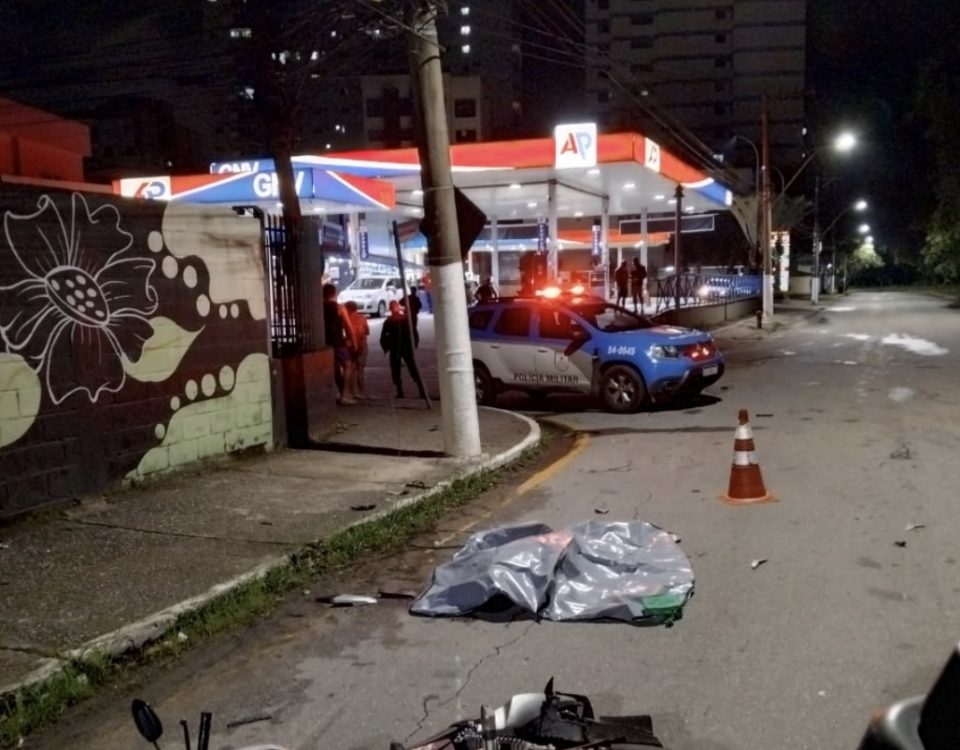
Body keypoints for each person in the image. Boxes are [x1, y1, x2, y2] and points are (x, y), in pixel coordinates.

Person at [380, 300, 426, 400]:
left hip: (398, 348)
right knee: (410, 369)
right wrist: (414, 344)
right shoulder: (402, 320)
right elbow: (413, 333)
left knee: (399, 370)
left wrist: (386, 347)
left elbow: (383, 337)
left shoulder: (391, 321)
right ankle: (419, 391)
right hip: (403, 348)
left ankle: (402, 392)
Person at [322, 283, 356, 404]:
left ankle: (342, 392)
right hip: (338, 341)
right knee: (347, 365)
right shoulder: (339, 308)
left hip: (324, 342)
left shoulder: (318, 307)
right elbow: (348, 327)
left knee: (335, 367)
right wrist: (353, 341)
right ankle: (345, 394)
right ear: (334, 293)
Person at [343, 300, 369, 400]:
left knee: (351, 369)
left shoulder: (345, 319)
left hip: (349, 345)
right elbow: (367, 331)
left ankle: (353, 392)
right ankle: (361, 392)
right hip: (362, 344)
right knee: (360, 369)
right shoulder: (362, 318)